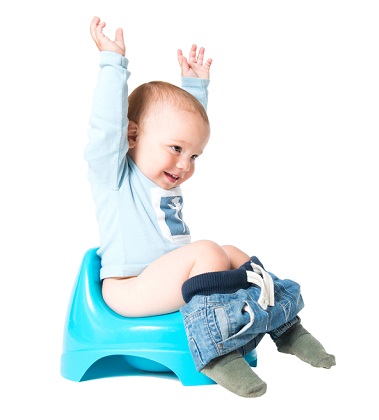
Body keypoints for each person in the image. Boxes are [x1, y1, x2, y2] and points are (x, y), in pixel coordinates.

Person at [86, 16, 335, 398]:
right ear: (132, 135)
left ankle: (285, 327)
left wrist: (194, 88)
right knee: (207, 251)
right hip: (127, 289)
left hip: (159, 281)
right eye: (176, 150)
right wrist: (112, 63)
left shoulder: (166, 174)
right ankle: (215, 351)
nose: (184, 165)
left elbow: (183, 126)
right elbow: (106, 129)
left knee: (231, 252)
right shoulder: (116, 176)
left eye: (194, 156)